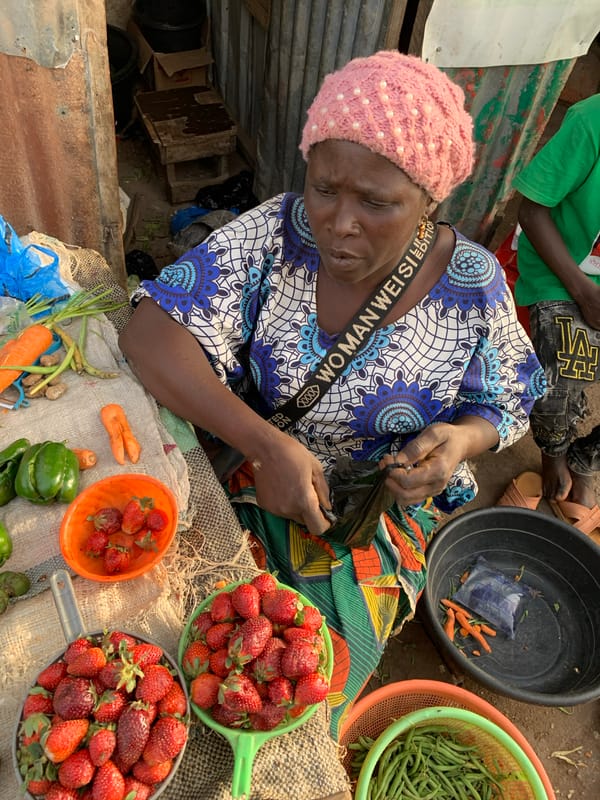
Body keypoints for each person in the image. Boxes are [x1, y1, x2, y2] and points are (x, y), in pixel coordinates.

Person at [119, 51, 544, 736]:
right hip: (249, 468)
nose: (338, 223)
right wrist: (263, 444)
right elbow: (149, 335)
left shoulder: (472, 285)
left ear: (431, 200)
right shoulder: (275, 232)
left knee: (301, 688)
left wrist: (460, 441)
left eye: (376, 202)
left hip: (375, 511)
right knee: (169, 645)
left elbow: (508, 401)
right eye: (324, 188)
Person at [512, 92, 600, 536]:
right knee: (564, 366)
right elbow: (531, 209)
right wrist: (584, 293)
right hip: (561, 272)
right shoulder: (591, 121)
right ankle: (554, 451)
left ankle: (588, 458)